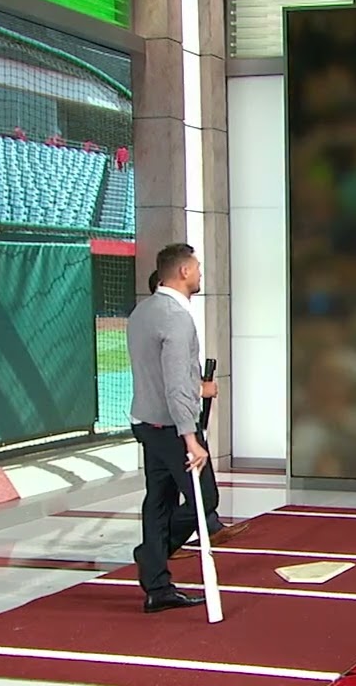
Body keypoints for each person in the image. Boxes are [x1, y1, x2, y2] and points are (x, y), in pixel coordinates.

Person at [127, 244, 221, 613]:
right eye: (196, 266)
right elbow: (176, 385)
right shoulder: (176, 318)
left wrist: (197, 388)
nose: (199, 272)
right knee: (205, 499)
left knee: (159, 501)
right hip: (170, 427)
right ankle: (152, 558)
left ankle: (157, 587)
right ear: (183, 271)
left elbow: (162, 373)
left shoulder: (142, 312)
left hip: (146, 422)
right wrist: (191, 438)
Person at [145, 268, 249, 561]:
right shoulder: (163, 320)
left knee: (167, 490)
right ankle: (160, 547)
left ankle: (188, 536)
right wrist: (199, 389)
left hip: (168, 418)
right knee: (192, 492)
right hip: (167, 420)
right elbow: (168, 377)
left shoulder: (170, 317)